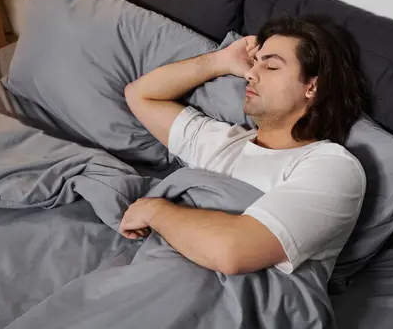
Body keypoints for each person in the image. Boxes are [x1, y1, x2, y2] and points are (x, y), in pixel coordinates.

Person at [121, 14, 368, 276]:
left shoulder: (332, 166)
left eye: (271, 67)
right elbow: (140, 95)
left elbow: (232, 252)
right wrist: (221, 61)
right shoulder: (223, 143)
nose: (250, 74)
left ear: (312, 87)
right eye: (254, 62)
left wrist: (154, 210)